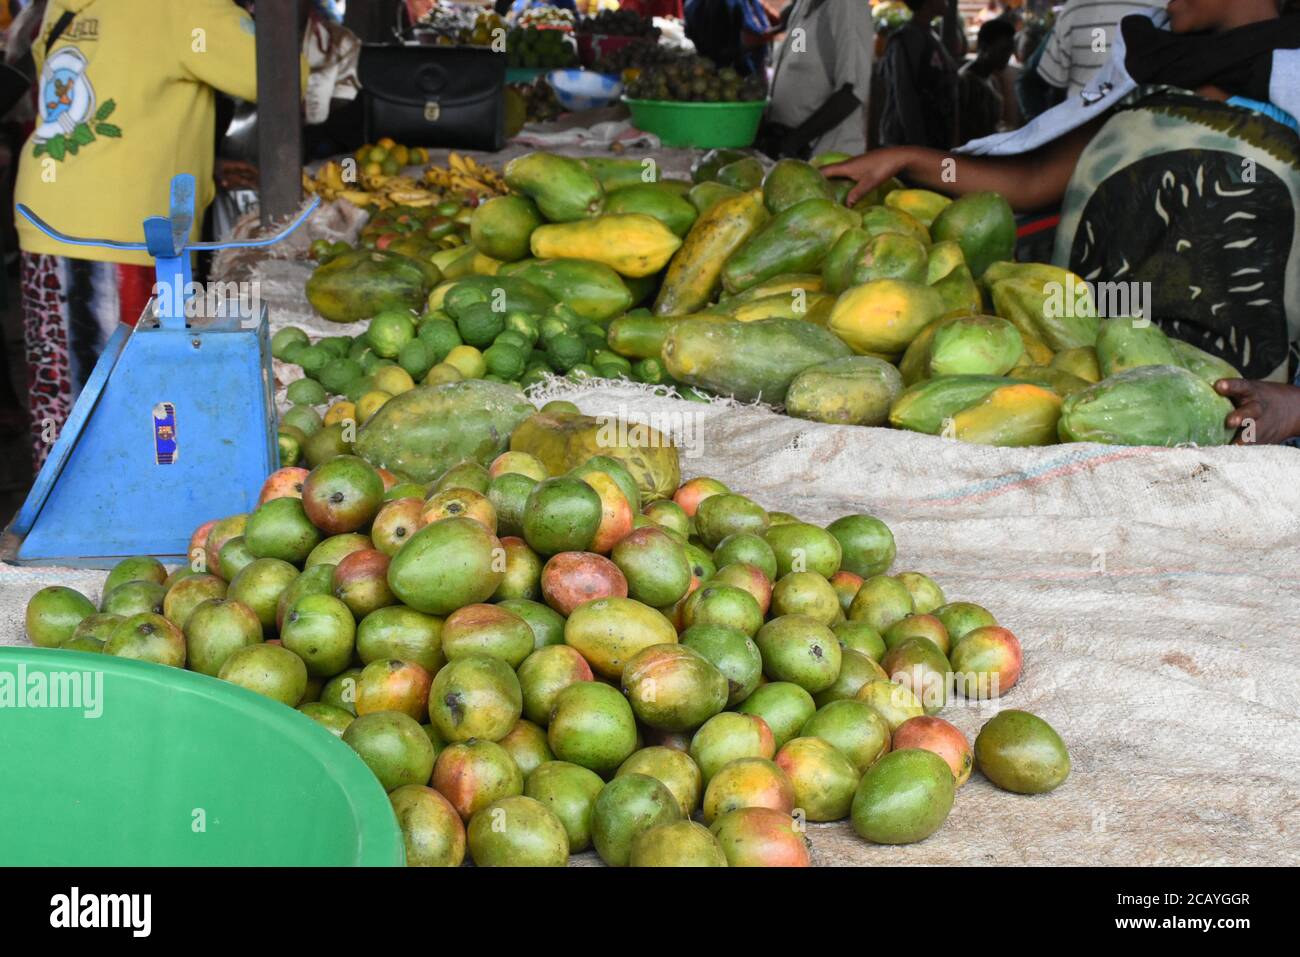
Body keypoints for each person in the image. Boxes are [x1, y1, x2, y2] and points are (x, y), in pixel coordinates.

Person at [824, 0, 1300, 444]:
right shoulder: (1150, 70)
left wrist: (1294, 407)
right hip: (1087, 382)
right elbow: (1032, 179)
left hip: (1226, 414)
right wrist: (908, 159)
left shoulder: (1291, 84)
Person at [12, 0, 264, 470]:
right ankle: (106, 528)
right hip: (115, 231)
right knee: (130, 405)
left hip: (53, 215)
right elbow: (278, 72)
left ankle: (67, 525)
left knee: (68, 399)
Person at [764, 0, 876, 157]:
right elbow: (797, 55)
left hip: (825, 157)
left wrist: (793, 141)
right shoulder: (803, 5)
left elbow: (852, 91)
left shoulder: (848, 6)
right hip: (791, 154)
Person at [1037, 0, 1168, 100]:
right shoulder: (1170, 7)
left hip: (1082, 125)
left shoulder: (1073, 9)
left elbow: (1053, 85)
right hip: (1148, 126)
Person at [877, 0, 960, 149]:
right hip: (909, 142)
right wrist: (918, 143)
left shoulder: (931, 34)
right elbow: (904, 93)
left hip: (933, 137)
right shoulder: (906, 39)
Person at [958, 15, 1017, 143]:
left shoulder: (992, 80)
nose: (1008, 56)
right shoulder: (966, 83)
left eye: (1010, 50)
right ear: (984, 47)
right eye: (1004, 50)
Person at [683, 0, 772, 75]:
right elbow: (746, 40)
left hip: (705, 70)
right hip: (733, 72)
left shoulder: (690, 3)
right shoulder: (731, 4)